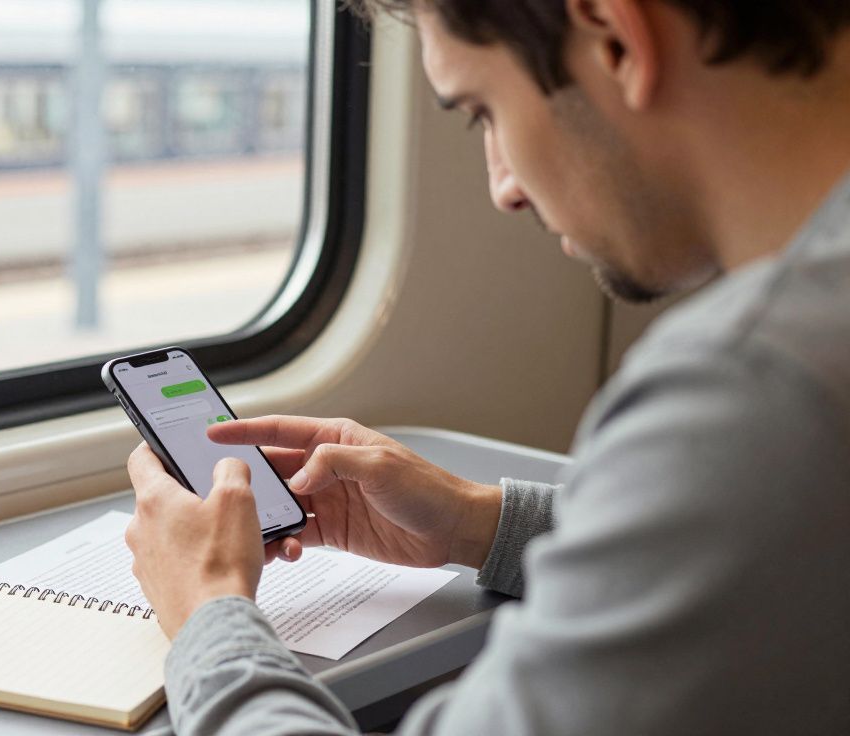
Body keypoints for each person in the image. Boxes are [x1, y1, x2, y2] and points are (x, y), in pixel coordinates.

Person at [122, 0, 850, 733]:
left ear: (616, 37)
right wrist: (480, 525)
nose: (504, 187)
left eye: (484, 112)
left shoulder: (754, 390)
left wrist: (210, 615)